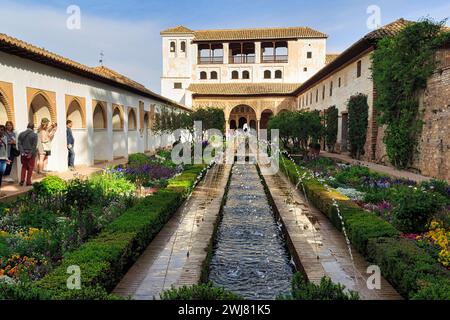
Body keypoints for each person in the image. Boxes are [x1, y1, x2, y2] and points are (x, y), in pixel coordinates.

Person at [0, 125, 11, 196]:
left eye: (2, 130)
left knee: (1, 175)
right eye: (0, 129)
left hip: (4, 159)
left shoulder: (5, 137)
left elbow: (6, 148)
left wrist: (7, 158)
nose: (1, 131)